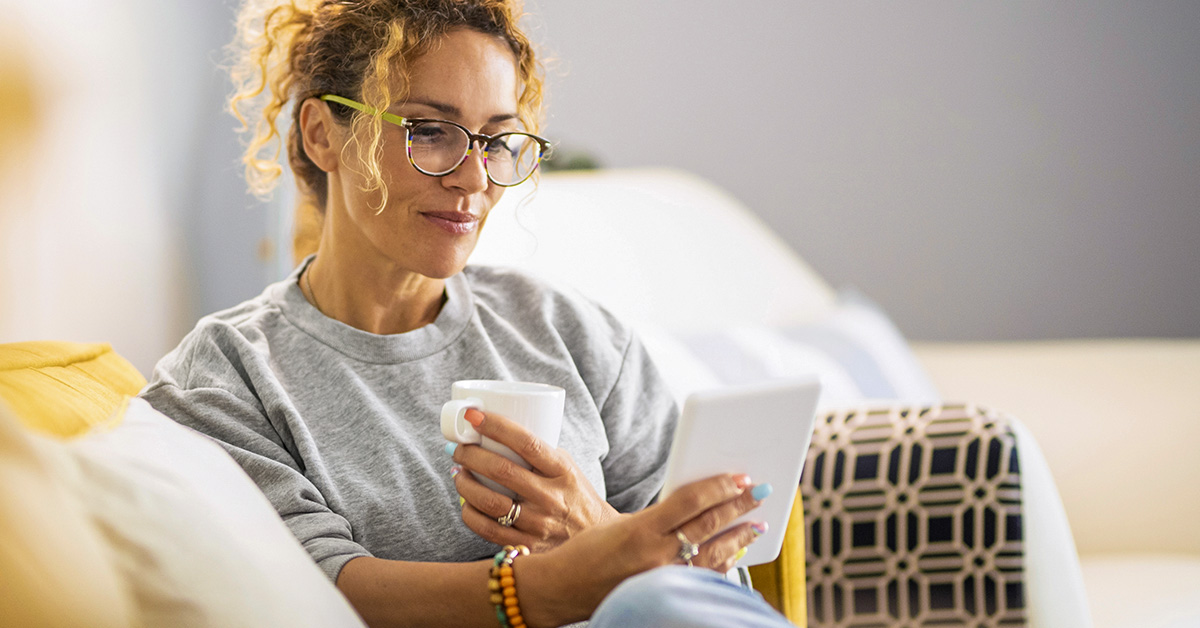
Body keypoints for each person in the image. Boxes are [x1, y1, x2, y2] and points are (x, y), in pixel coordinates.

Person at [140, 1, 796, 626]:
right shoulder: (228, 374)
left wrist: (596, 533)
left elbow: (711, 585)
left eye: (498, 142)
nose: (474, 180)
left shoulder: (569, 332)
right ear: (322, 135)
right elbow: (313, 592)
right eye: (429, 131)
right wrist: (559, 584)